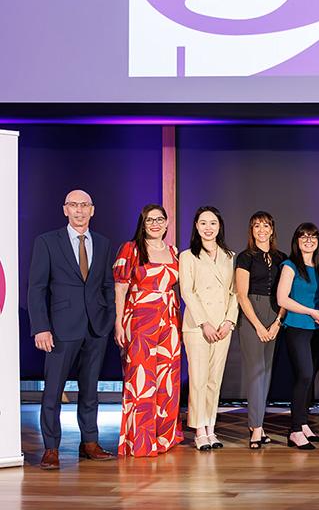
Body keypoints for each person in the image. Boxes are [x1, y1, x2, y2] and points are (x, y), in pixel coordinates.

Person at [27, 189, 116, 469]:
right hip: (60, 328)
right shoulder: (47, 242)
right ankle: (51, 447)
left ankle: (89, 442)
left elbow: (106, 285)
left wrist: (109, 318)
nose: (79, 210)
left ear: (93, 210)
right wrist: (41, 327)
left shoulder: (102, 244)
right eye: (73, 205)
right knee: (53, 390)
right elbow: (36, 288)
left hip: (96, 328)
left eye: (84, 205)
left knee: (90, 389)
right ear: (65, 209)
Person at [113, 204, 183, 457]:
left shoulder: (174, 252)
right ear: (142, 224)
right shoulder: (130, 249)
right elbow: (120, 287)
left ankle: (164, 437)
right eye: (149, 220)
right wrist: (119, 321)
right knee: (142, 380)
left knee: (167, 381)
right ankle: (141, 441)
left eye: (159, 219)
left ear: (166, 223)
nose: (155, 224)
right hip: (140, 317)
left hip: (169, 319)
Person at [179, 206, 237, 452]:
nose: (208, 227)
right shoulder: (187, 256)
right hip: (197, 326)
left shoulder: (230, 256)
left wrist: (228, 321)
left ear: (219, 226)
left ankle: (211, 427)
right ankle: (199, 430)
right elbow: (187, 292)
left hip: (223, 326)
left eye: (213, 223)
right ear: (196, 226)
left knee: (215, 380)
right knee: (199, 379)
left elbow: (235, 292)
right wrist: (205, 322)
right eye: (203, 223)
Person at [235, 212, 287, 449]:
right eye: (257, 226)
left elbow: (285, 295)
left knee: (266, 374)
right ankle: (255, 428)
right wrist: (258, 326)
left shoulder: (281, 258)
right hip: (252, 315)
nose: (261, 230)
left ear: (272, 229)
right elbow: (241, 295)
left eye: (265, 225)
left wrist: (277, 323)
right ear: (251, 230)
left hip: (274, 314)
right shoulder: (245, 257)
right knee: (256, 373)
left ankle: (259, 425)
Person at [276, 222, 319, 450]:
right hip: (297, 326)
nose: (309, 240)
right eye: (304, 237)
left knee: (311, 378)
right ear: (297, 241)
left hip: (318, 329)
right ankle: (295, 431)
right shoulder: (289, 266)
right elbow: (282, 299)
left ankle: (304, 423)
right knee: (304, 376)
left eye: (313, 236)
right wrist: (311, 312)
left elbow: (317, 298)